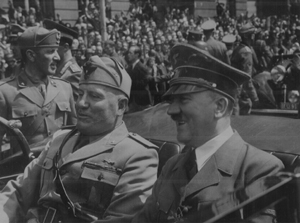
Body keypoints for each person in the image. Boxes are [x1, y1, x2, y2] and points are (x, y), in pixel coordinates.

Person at [132, 43, 284, 223]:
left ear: (219, 107)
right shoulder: (172, 166)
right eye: (172, 101)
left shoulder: (260, 170)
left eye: (184, 100)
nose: (171, 111)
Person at [0, 56, 158, 223]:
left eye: (94, 96)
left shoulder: (137, 155)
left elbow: (121, 220)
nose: (81, 103)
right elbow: (18, 192)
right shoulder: (60, 139)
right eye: (80, 93)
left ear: (121, 106)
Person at [0, 26, 76, 148]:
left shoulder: (65, 88)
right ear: (31, 55)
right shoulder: (5, 92)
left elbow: (76, 134)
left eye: (56, 51)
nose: (57, 57)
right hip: (24, 165)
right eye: (51, 51)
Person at [43, 19, 83, 101]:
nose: (50, 51)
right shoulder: (58, 69)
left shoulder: (74, 74)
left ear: (65, 47)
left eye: (54, 47)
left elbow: (78, 109)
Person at [231, 23, 260, 115]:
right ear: (251, 36)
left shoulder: (238, 48)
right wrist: (255, 97)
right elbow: (246, 78)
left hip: (234, 90)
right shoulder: (246, 52)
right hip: (242, 95)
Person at [126, 45, 153, 112]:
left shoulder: (142, 68)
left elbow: (143, 83)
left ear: (137, 55)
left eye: (130, 53)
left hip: (142, 102)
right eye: (128, 53)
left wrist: (130, 83)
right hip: (133, 101)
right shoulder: (129, 68)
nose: (128, 55)